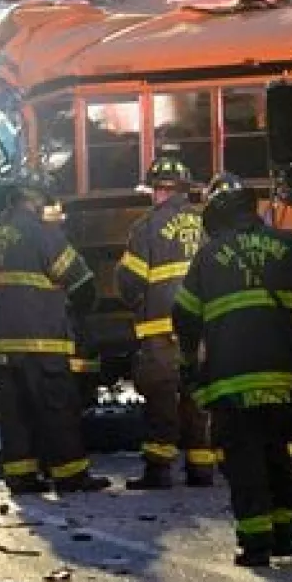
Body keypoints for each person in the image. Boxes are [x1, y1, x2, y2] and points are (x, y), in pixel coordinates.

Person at [172, 173, 292, 567]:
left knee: (244, 463)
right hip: (283, 379)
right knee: (278, 455)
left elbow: (185, 317)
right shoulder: (289, 247)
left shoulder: (208, 258)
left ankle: (256, 544)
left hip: (232, 383)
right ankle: (283, 536)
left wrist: (190, 366)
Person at [0, 174, 110, 494]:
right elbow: (81, 283)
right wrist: (81, 314)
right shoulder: (42, 233)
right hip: (41, 340)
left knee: (15, 413)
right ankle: (70, 475)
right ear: (34, 200)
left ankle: (21, 476)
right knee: (57, 409)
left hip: (1, 342)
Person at [116, 155, 219, 490]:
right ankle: (201, 470)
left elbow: (130, 281)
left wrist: (138, 305)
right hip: (202, 329)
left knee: (161, 399)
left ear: (156, 191)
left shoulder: (146, 227)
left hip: (160, 330)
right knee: (198, 398)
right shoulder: (207, 225)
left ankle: (159, 472)